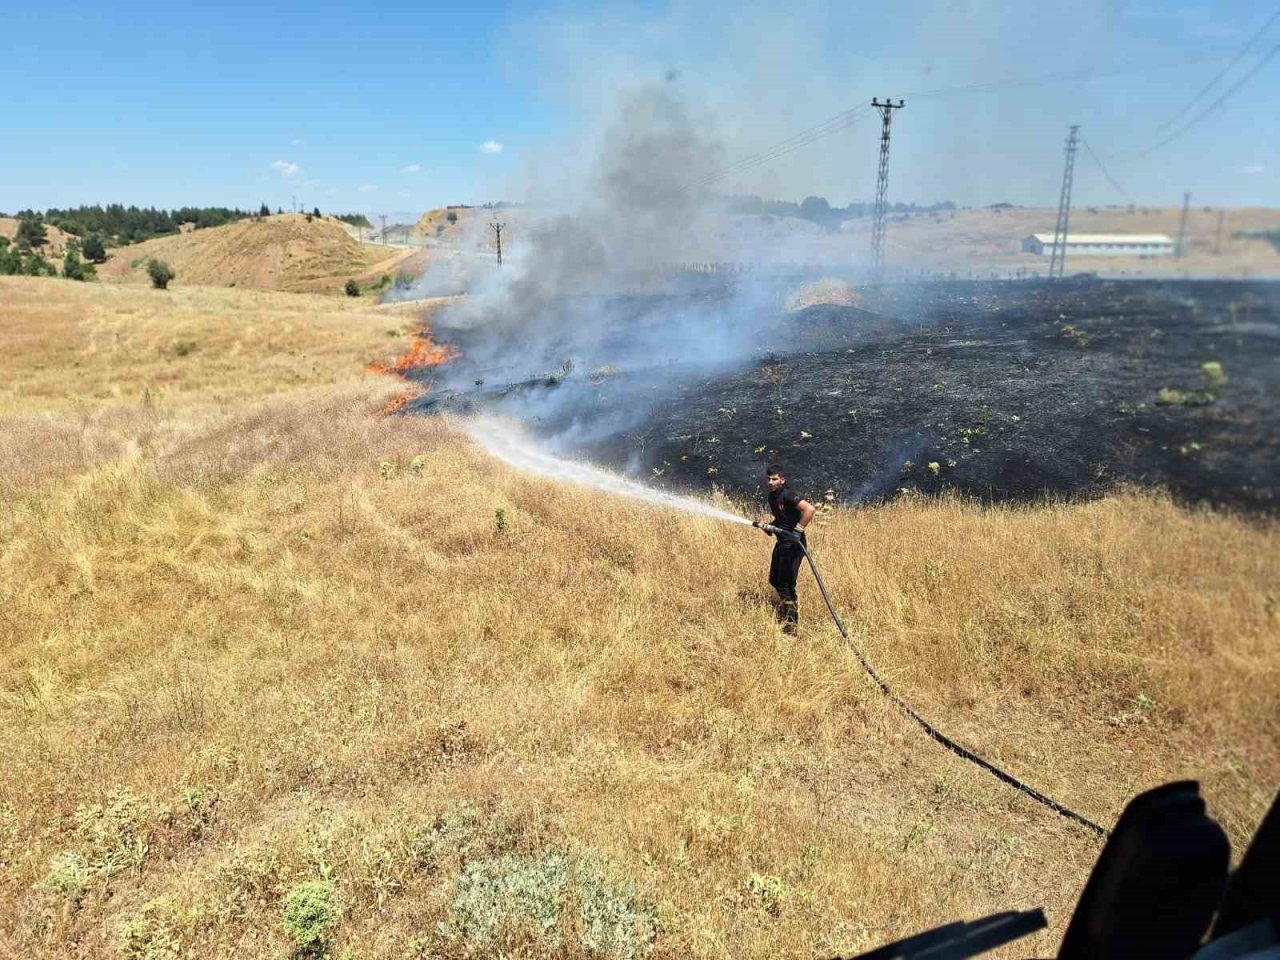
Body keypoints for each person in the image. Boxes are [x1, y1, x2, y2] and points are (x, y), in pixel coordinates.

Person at [759, 464, 816, 634]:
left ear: (782, 480)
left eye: (774, 479)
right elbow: (781, 519)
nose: (770, 482)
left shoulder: (788, 494)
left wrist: (798, 531)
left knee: (786, 583)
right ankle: (787, 610)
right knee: (775, 580)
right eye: (768, 479)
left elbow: (809, 510)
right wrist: (769, 527)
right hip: (782, 543)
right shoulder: (772, 497)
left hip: (794, 545)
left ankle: (792, 623)